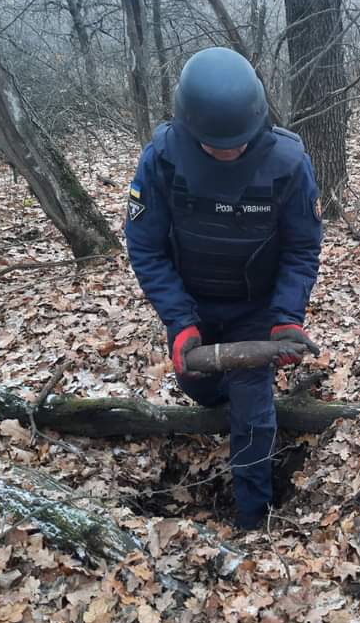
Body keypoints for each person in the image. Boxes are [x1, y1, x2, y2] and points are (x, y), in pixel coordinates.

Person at [125, 47, 322, 530]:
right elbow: (145, 247)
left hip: (256, 310)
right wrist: (179, 323)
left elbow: (301, 248)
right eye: (217, 144)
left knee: (253, 411)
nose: (229, 151)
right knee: (199, 388)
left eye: (237, 142)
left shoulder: (288, 163)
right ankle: (221, 404)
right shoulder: (163, 160)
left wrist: (286, 318)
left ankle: (255, 521)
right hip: (193, 305)